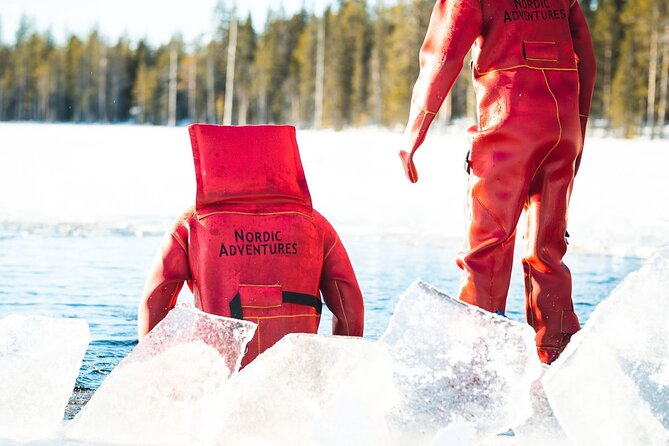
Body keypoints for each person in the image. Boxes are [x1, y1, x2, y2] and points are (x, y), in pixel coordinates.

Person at [399, 0, 596, 364]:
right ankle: (556, 353)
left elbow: (442, 57)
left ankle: (478, 359)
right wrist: (577, 131)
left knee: (487, 248)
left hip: (509, 127)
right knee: (547, 248)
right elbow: (586, 57)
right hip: (563, 129)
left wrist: (414, 132)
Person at [138, 124, 364, 367]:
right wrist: (342, 371)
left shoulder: (193, 225)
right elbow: (349, 304)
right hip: (297, 379)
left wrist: (154, 369)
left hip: (221, 382)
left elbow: (155, 301)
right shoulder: (315, 225)